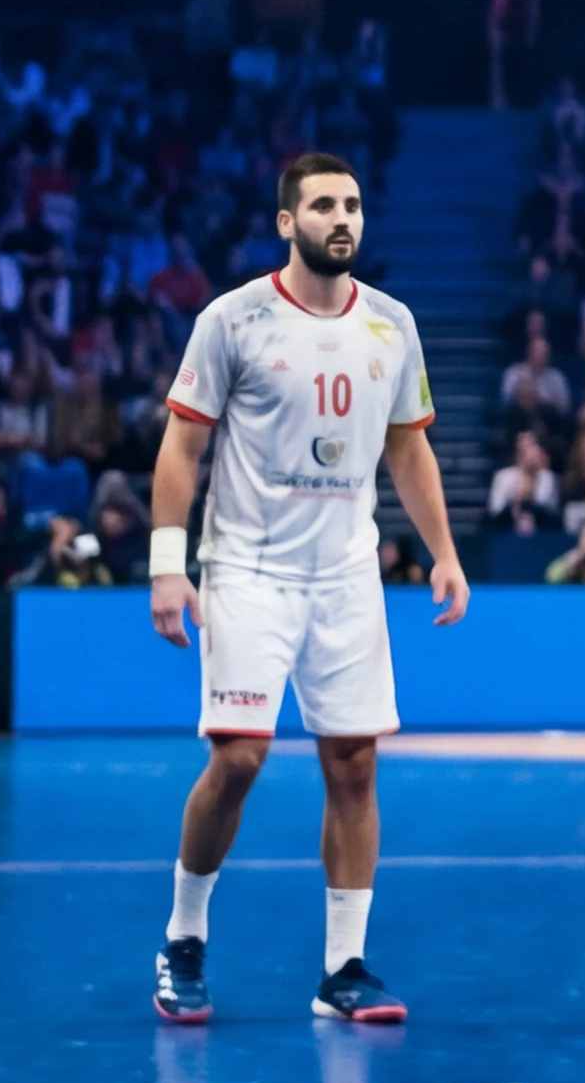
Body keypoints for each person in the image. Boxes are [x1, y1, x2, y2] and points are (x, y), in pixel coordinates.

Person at [148, 153, 470, 1030]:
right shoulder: (233, 319)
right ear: (286, 221)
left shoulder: (393, 325)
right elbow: (182, 448)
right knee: (241, 757)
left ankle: (344, 969)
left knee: (355, 764)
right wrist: (166, 565)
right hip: (248, 568)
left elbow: (409, 447)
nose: (342, 218)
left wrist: (443, 551)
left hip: (347, 576)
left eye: (354, 204)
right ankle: (183, 940)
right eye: (323, 204)